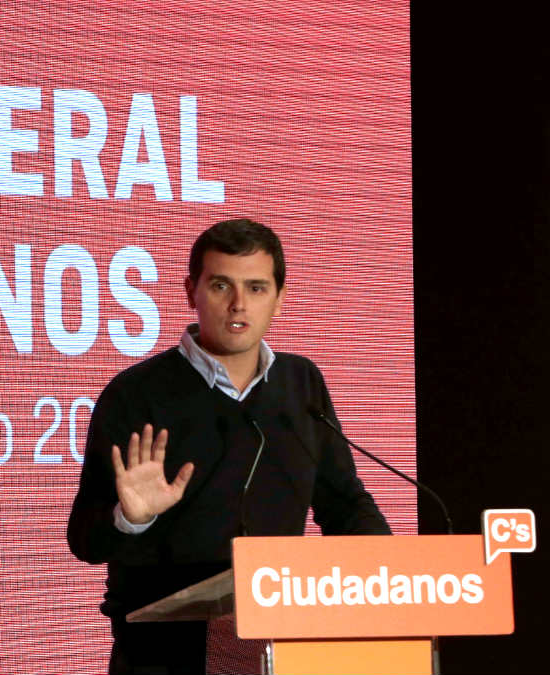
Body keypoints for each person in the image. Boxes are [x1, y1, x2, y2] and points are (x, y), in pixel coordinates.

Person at [67, 218, 390, 674]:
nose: (239, 304)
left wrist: (392, 574)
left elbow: (343, 503)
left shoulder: (300, 383)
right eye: (221, 286)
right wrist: (131, 520)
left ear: (279, 298)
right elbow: (85, 537)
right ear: (190, 291)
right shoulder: (136, 394)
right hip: (162, 654)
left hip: (275, 645)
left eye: (257, 288)